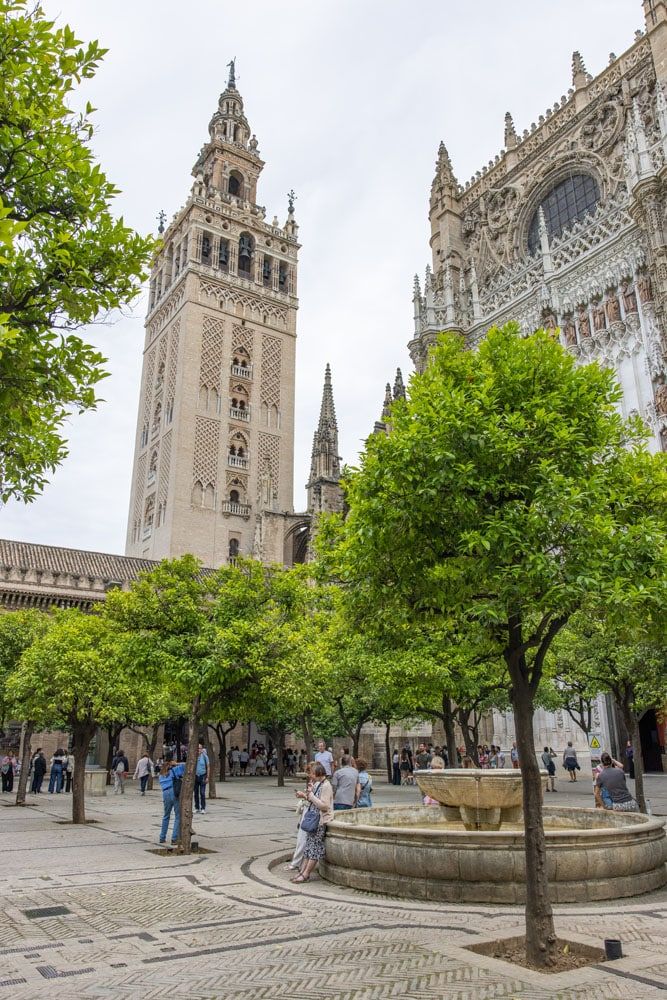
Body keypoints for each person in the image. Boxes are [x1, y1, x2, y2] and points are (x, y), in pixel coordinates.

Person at [291, 762, 334, 883]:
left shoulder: (326, 785)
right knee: (309, 847)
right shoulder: (318, 784)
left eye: (312, 774)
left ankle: (306, 874)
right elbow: (313, 800)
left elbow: (324, 806)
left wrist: (311, 795)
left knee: (314, 848)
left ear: (317, 773)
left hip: (320, 821)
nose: (310, 776)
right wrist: (308, 794)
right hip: (313, 819)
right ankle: (302, 871)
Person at [286, 762, 314, 872]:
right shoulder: (313, 782)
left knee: (303, 838)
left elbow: (315, 799)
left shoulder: (318, 784)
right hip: (307, 812)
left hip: (311, 814)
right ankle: (298, 863)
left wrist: (304, 795)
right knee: (302, 838)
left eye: (309, 772)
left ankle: (297, 863)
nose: (308, 775)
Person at [158, 757, 186, 844]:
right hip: (174, 792)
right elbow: (186, 765)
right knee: (178, 816)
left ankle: (162, 837)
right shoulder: (174, 771)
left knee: (166, 815)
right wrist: (177, 764)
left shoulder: (161, 775)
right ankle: (174, 838)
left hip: (165, 793)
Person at [194, 742, 209, 813]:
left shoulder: (205, 757)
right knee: (196, 792)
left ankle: (203, 808)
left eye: (199, 748)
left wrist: (207, 777)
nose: (198, 749)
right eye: (197, 748)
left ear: (202, 749)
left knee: (202, 792)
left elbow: (208, 767)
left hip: (203, 776)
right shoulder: (194, 756)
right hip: (195, 776)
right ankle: (197, 807)